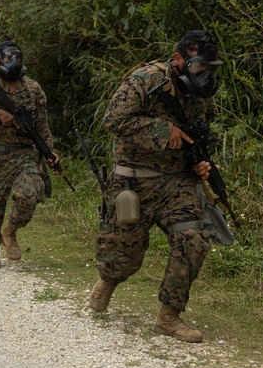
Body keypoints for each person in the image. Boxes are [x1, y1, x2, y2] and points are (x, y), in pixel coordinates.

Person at [87, 30, 223, 343]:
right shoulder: (146, 79)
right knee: (125, 257)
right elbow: (112, 121)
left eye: (209, 68)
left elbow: (199, 134)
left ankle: (168, 317)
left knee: (195, 239)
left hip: (177, 182)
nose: (206, 74)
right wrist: (162, 129)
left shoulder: (201, 95)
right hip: (133, 179)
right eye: (201, 67)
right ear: (179, 59)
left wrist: (202, 162)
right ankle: (109, 279)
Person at [0, 40, 58, 269]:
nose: (13, 62)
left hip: (24, 154)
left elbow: (42, 125)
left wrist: (49, 150)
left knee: (29, 193)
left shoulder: (33, 89)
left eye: (17, 57)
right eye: (8, 57)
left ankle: (10, 231)